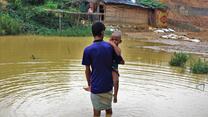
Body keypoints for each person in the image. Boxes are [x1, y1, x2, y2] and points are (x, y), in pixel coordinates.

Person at [82, 22, 121, 117]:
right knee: (109, 110)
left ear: (93, 33)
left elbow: (87, 70)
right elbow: (118, 60)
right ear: (102, 32)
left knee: (96, 112)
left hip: (96, 87)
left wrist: (90, 85)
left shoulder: (87, 50)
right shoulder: (110, 47)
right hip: (108, 86)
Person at [108, 31, 125, 103]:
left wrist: (121, 61)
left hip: (114, 68)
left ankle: (115, 95)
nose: (114, 41)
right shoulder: (107, 46)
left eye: (116, 40)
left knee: (116, 81)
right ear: (110, 39)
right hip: (107, 67)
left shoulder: (118, 49)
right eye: (112, 39)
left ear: (120, 41)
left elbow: (118, 54)